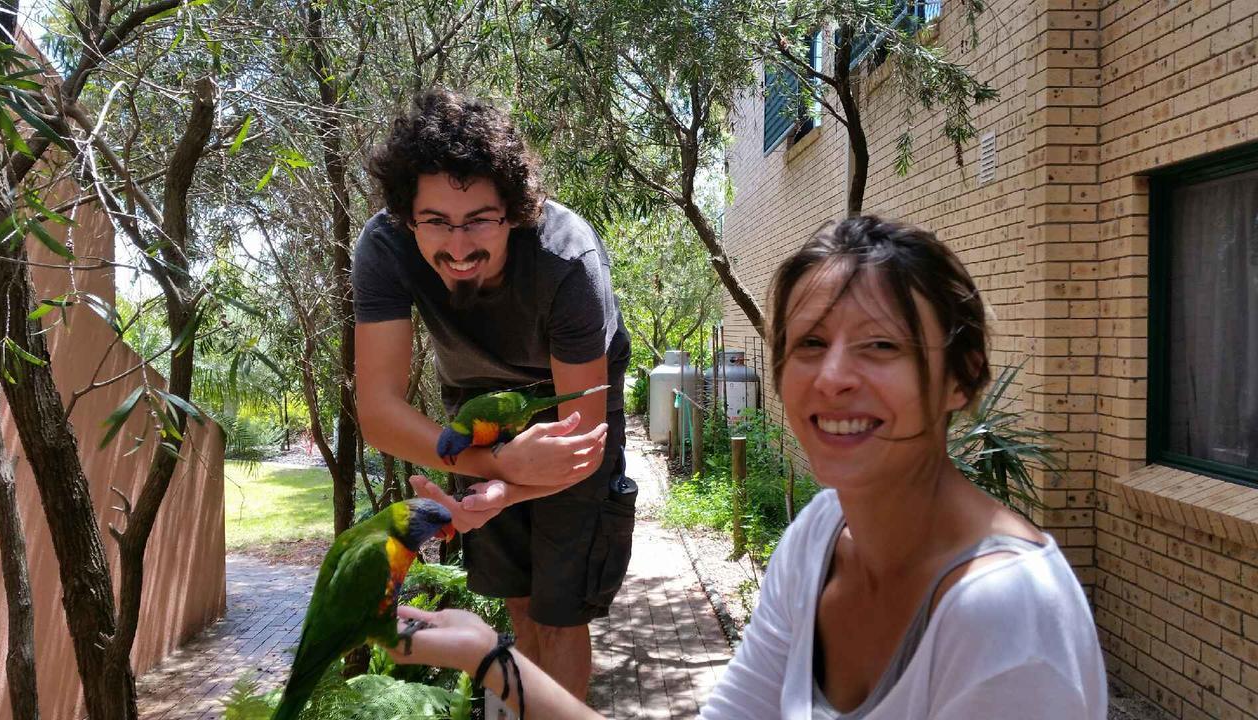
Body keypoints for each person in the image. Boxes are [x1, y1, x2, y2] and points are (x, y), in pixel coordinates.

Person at [385, 215, 1108, 719]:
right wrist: (487, 658)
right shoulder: (822, 535)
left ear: (962, 375)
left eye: (880, 347)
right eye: (809, 343)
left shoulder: (1010, 615)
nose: (832, 378)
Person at [353, 88, 634, 700]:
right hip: (476, 413)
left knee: (560, 613)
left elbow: (580, 444)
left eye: (480, 219)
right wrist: (499, 469)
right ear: (406, 216)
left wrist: (503, 488)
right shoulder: (384, 247)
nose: (458, 246)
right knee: (523, 605)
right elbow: (377, 413)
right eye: (436, 221)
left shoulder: (567, 259)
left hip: (569, 405)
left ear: (515, 210)